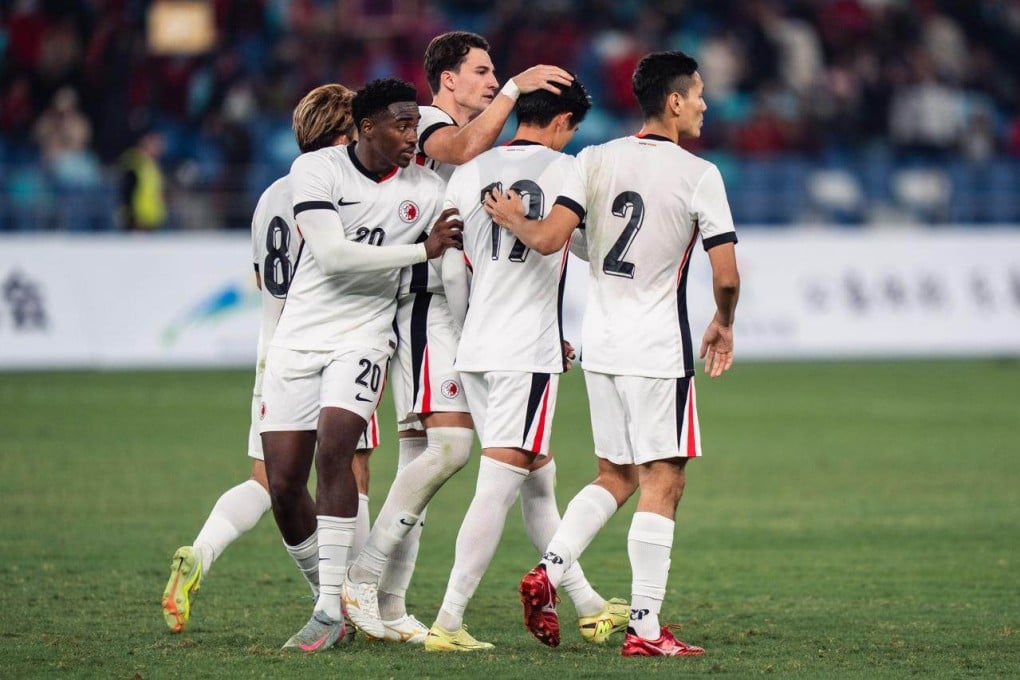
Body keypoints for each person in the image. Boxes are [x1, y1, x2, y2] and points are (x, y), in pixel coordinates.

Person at [342, 32, 604, 649]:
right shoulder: (437, 124)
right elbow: (536, 234)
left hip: (464, 322)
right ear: (446, 79)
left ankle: (585, 602)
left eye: (498, 75)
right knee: (465, 456)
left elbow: (463, 254)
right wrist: (517, 90)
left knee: (523, 473)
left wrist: (474, 320)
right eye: (482, 72)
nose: (493, 82)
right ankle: (409, 597)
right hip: (450, 319)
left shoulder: (476, 166)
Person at [484, 50, 740, 657]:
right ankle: (646, 629)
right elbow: (726, 275)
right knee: (666, 478)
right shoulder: (700, 174)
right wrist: (723, 323)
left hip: (599, 343)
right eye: (698, 93)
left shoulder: (593, 159)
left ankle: (550, 568)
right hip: (656, 347)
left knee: (617, 474)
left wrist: (518, 219)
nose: (704, 103)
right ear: (673, 101)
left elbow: (553, 241)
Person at [160, 84, 382, 634]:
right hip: (332, 347)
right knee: (350, 469)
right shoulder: (341, 191)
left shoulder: (269, 196)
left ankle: (203, 552)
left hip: (274, 353)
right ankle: (354, 597)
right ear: (341, 135)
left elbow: (264, 276)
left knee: (269, 479)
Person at [422, 77, 632, 651]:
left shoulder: (468, 172)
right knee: (497, 485)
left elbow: (451, 269)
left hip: (479, 349)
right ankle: (448, 619)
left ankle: (589, 605)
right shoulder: (566, 172)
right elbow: (549, 243)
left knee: (538, 481)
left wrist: (470, 334)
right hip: (524, 352)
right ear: (563, 122)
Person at [259, 77, 461, 653]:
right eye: (401, 125)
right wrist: (421, 250)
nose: (412, 136)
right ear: (366, 126)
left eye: (416, 126)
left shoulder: (424, 188)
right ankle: (332, 596)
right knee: (282, 486)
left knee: (336, 451)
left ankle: (328, 609)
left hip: (363, 336)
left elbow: (451, 260)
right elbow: (332, 256)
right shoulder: (317, 172)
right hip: (299, 336)